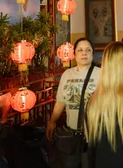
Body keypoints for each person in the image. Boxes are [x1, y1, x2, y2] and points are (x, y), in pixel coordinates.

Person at [47, 38, 101, 168]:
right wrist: (52, 121)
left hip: (95, 135)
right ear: (74, 54)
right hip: (72, 133)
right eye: (80, 50)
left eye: (88, 50)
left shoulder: (101, 73)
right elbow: (61, 101)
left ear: (92, 54)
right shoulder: (67, 74)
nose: (84, 53)